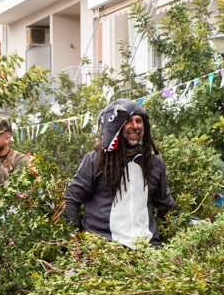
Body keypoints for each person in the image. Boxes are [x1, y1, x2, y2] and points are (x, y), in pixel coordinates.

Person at [63, 99, 176, 248]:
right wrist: (73, 238)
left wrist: (192, 223)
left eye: (139, 121)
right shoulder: (96, 160)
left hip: (146, 250)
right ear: (115, 126)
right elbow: (72, 198)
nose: (135, 126)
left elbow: (165, 204)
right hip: (103, 249)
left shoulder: (153, 163)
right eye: (128, 121)